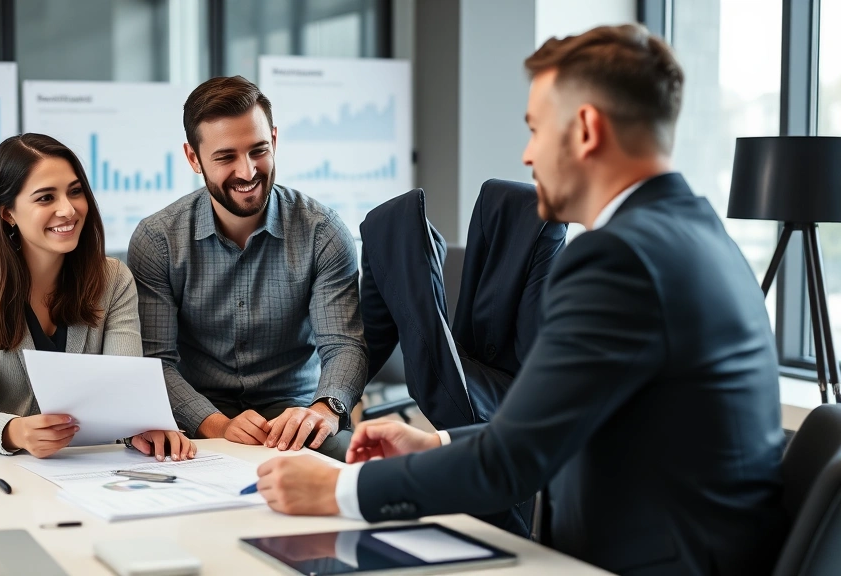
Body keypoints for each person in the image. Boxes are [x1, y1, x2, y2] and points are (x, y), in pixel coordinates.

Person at [254, 24, 787, 576]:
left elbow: (513, 463)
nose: (528, 155)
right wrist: (436, 443)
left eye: (535, 129)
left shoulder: (619, 259)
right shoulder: (697, 233)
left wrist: (341, 488)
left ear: (584, 129)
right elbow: (549, 427)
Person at [128, 76, 367, 461]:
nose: (248, 171)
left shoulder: (322, 231)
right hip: (196, 418)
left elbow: (343, 344)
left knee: (351, 465)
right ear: (194, 158)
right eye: (226, 157)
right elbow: (156, 363)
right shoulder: (158, 240)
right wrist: (218, 424)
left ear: (274, 139)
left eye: (258, 150)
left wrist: (324, 410)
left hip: (293, 415)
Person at [0, 133, 194, 460]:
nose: (68, 210)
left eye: (75, 192)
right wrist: (18, 432)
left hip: (92, 469)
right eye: (45, 198)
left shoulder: (113, 280)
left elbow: (123, 393)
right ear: (8, 214)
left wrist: (143, 427)